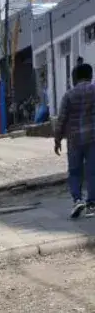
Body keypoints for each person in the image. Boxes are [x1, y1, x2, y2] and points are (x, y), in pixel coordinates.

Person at [54, 59, 95, 218]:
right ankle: (92, 204)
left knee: (74, 171)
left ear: (75, 78)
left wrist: (57, 139)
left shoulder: (68, 95)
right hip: (93, 137)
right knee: (92, 171)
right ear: (90, 76)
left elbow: (61, 119)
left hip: (74, 139)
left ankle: (77, 200)